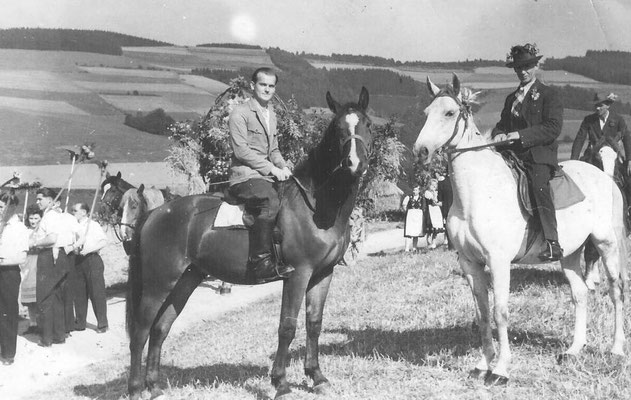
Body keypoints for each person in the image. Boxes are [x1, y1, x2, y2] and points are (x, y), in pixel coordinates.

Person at [491, 43, 564, 262]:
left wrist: (520, 136)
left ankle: (552, 242)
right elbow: (502, 125)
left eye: (527, 66)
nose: (523, 71)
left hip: (538, 154)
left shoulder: (549, 94)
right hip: (512, 154)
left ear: (536, 66)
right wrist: (498, 134)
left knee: (538, 184)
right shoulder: (511, 99)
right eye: (518, 68)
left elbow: (553, 127)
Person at [228, 67, 295, 283]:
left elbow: (273, 150)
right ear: (252, 86)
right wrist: (272, 169)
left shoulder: (271, 115)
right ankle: (260, 262)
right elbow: (242, 151)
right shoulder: (240, 113)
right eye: (262, 84)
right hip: (244, 177)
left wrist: (283, 167)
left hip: (265, 176)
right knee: (269, 200)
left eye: (271, 85)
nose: (267, 89)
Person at [33, 188, 77, 347]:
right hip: (62, 256)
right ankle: (58, 335)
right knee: (57, 298)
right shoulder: (62, 216)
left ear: (51, 200)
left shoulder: (49, 217)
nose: (37, 202)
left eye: (40, 199)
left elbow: (52, 238)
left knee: (45, 298)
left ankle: (46, 338)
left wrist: (35, 242)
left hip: (49, 256)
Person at [0, 192, 30, 365]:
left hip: (8, 274)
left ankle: (8, 353)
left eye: (1, 207)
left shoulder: (19, 228)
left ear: (11, 207)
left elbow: (21, 258)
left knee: (7, 312)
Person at [71, 202, 109, 333]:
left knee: (96, 293)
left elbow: (103, 241)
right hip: (77, 260)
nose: (73, 213)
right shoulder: (74, 226)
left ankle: (102, 324)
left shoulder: (93, 225)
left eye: (75, 210)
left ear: (83, 212)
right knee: (79, 293)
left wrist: (88, 250)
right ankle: (80, 323)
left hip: (92, 259)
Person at [20, 205, 43, 335]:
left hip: (39, 263)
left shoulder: (43, 231)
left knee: (38, 296)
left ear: (41, 218)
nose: (33, 221)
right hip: (27, 264)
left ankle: (41, 323)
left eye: (36, 218)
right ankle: (32, 323)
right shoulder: (25, 231)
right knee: (29, 299)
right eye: (31, 218)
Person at [402, 186, 424, 252]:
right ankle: (407, 248)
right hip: (411, 215)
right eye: (414, 190)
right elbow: (404, 205)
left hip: (419, 215)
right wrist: (407, 211)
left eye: (416, 190)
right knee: (409, 232)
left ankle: (414, 248)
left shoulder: (422, 198)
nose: (414, 191)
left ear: (419, 191)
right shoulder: (409, 197)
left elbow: (423, 206)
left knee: (416, 232)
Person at [424, 179, 444, 249]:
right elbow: (433, 202)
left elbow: (441, 203)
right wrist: (434, 195)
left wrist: (438, 203)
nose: (434, 187)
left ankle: (433, 242)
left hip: (436, 211)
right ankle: (429, 243)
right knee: (430, 228)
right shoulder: (427, 193)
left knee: (436, 228)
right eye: (432, 185)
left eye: (435, 185)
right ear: (429, 185)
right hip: (430, 210)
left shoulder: (437, 192)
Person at [436, 173, 453, 249]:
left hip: (447, 207)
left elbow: (440, 198)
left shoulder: (442, 182)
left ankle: (451, 245)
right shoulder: (458, 179)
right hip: (458, 207)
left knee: (449, 225)